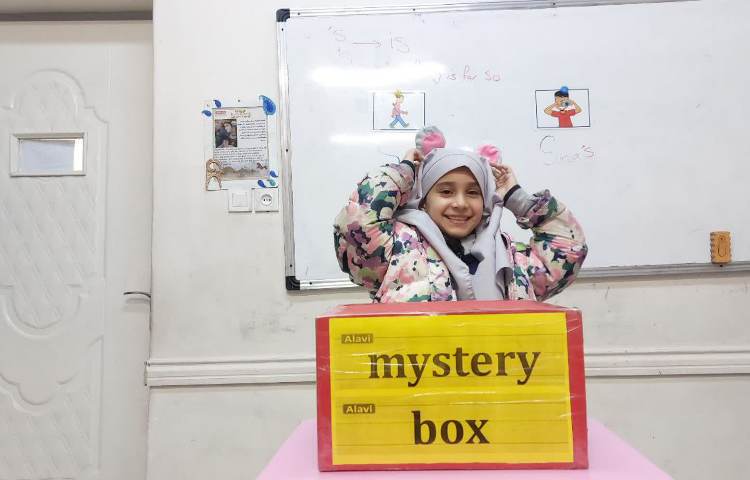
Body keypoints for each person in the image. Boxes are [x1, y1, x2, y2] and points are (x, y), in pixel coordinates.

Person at [333, 126, 587, 303]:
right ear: (424, 200)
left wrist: (517, 198)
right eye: (446, 191)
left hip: (497, 367)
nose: (461, 203)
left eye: (474, 193)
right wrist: (405, 171)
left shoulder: (512, 258)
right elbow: (358, 221)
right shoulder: (394, 250)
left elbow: (569, 251)